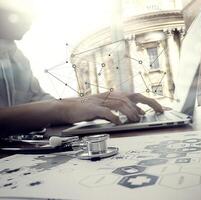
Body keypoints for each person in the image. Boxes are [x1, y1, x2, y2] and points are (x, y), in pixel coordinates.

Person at [0, 3, 163, 136]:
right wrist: (60, 109)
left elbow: (42, 105)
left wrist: (95, 100)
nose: (33, 17)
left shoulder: (17, 58)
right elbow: (51, 109)